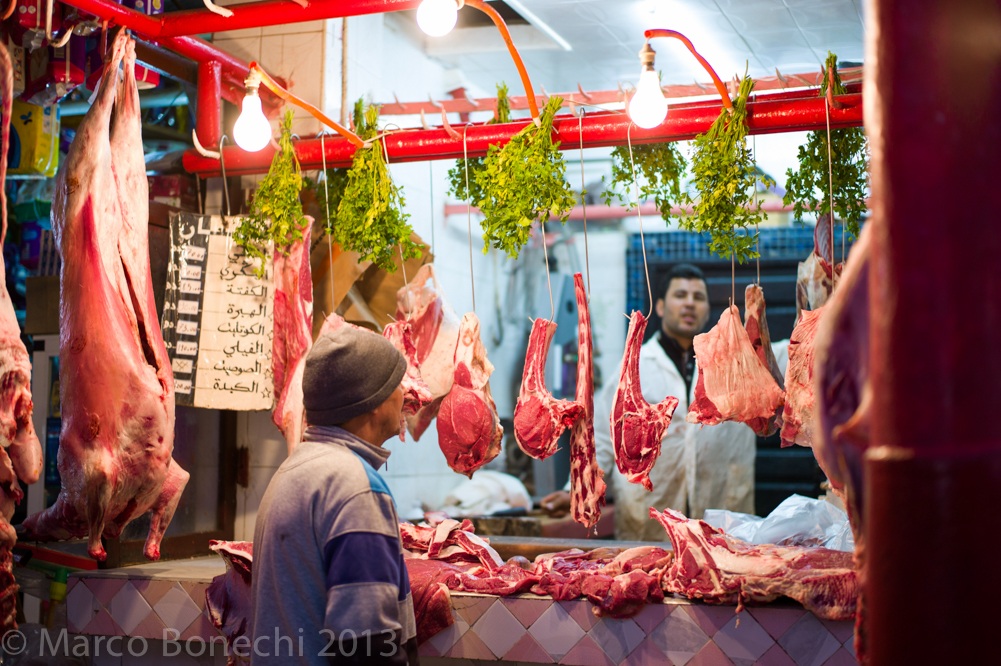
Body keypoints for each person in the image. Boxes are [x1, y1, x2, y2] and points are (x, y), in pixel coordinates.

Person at [541, 264, 761, 541]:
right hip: (652, 511)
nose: (689, 304)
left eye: (698, 297)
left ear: (707, 309)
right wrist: (576, 488)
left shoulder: (733, 364)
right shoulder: (636, 365)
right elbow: (603, 438)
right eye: (680, 295)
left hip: (721, 508)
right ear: (660, 306)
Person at [251, 322, 419, 665]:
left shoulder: (294, 469)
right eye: (397, 383)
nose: (405, 394)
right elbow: (365, 642)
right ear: (373, 401)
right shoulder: (352, 485)